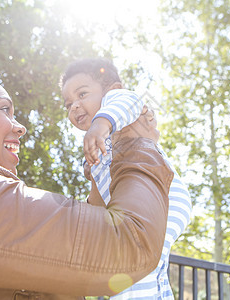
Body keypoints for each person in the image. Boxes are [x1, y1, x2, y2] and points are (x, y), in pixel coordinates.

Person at [0, 21, 174, 299]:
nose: (20, 126)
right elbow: (128, 244)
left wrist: (101, 173)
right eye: (3, 109)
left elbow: (86, 253)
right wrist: (136, 144)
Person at [60, 58, 192, 299]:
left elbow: (128, 101)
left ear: (112, 91)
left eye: (82, 94)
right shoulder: (97, 146)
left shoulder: (117, 111)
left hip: (162, 197)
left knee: (133, 262)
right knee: (148, 269)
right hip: (140, 208)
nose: (74, 106)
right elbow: (98, 204)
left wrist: (102, 123)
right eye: (68, 104)